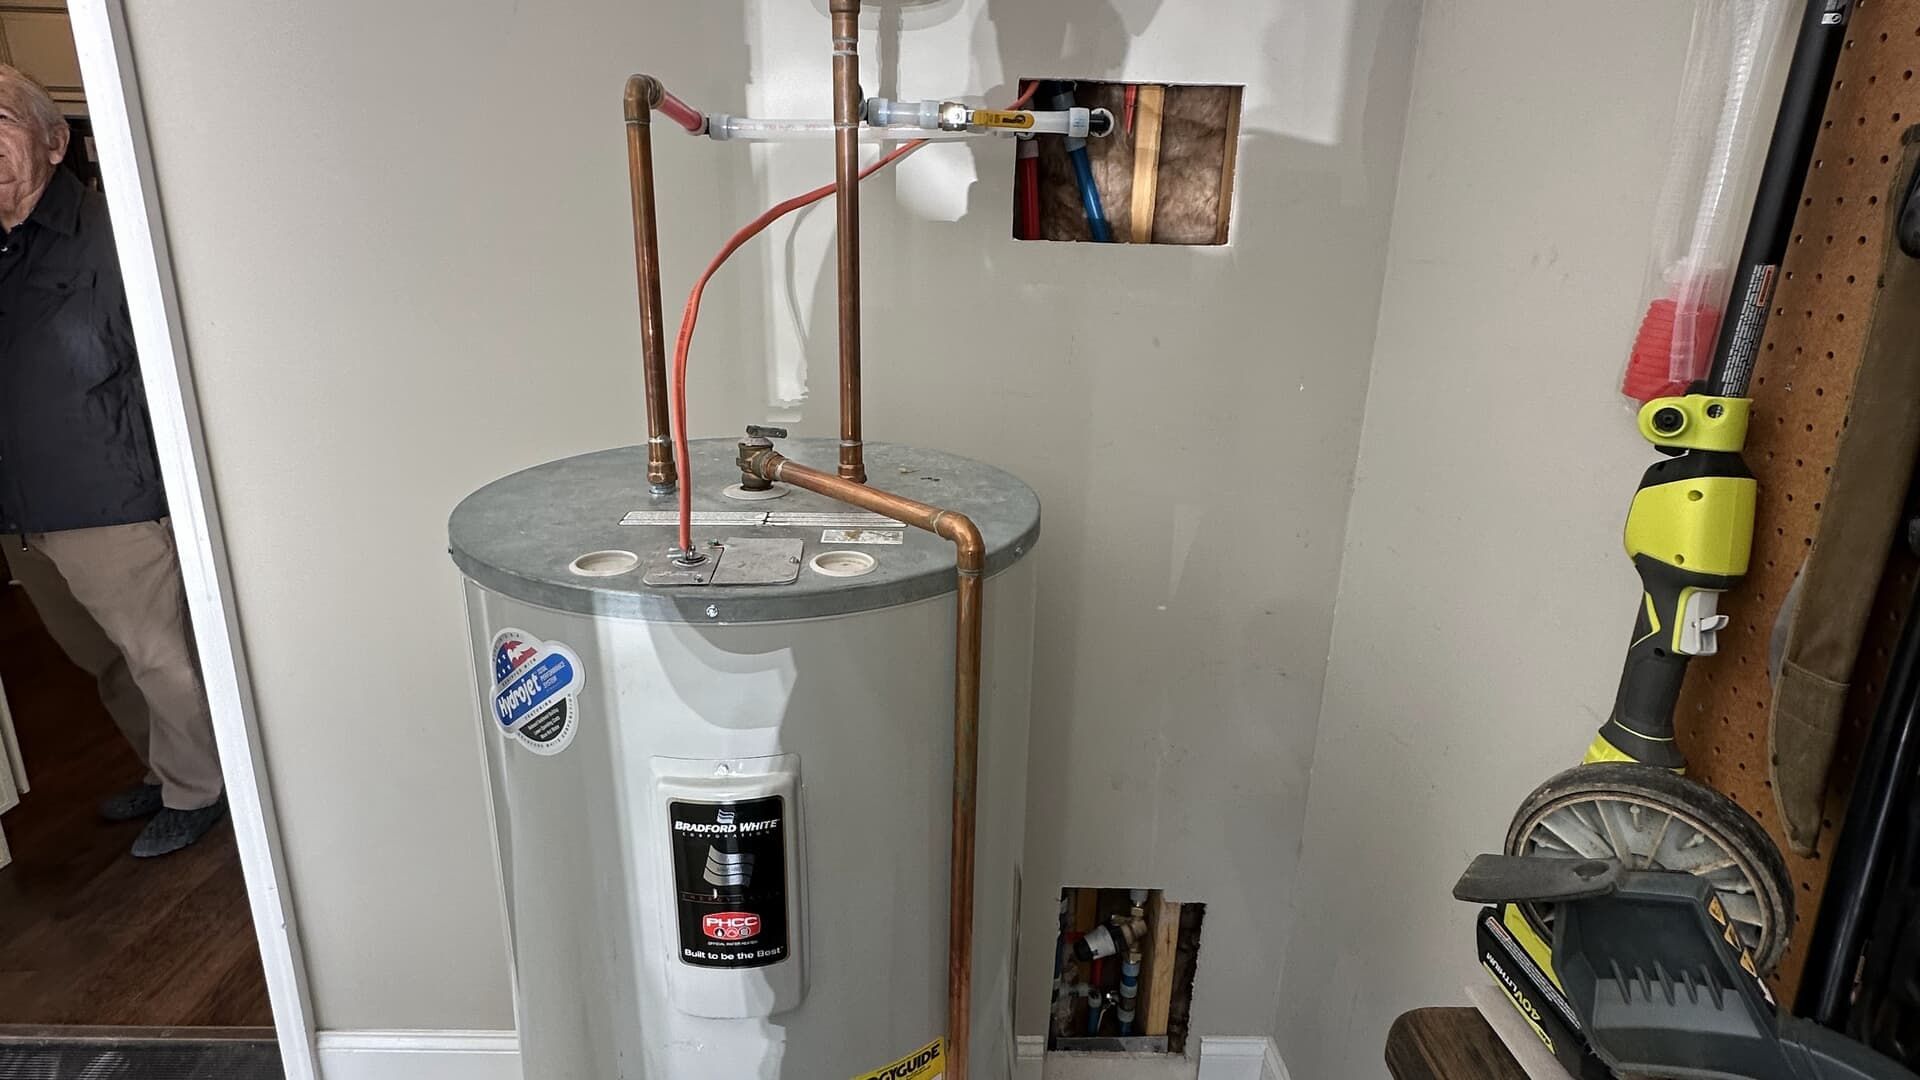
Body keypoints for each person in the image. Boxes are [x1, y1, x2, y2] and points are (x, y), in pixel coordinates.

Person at [0, 66, 225, 857]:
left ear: (54, 142)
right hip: (22, 515)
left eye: (0, 119)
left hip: (112, 503)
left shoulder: (116, 234)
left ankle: (204, 790)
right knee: (104, 664)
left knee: (162, 660)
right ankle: (170, 773)